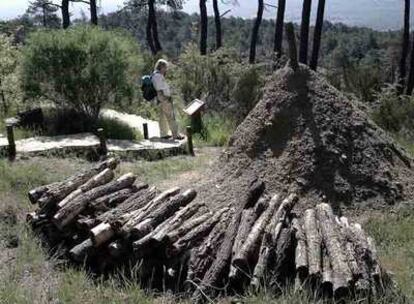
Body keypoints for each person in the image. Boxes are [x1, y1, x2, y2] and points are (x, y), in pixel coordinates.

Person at [151, 59, 182, 140]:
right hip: (163, 98)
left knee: (162, 117)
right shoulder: (158, 76)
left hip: (160, 98)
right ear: (161, 67)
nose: (166, 69)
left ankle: (164, 134)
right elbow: (159, 89)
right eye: (165, 67)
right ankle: (176, 135)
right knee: (171, 116)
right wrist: (166, 98)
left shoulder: (156, 75)